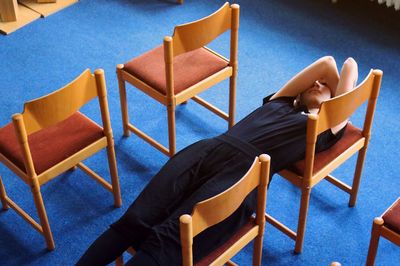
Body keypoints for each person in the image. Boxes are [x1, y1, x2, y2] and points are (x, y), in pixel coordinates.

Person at [76, 56, 358, 266]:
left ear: (336, 103)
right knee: (135, 220)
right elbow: (327, 64)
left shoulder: (322, 127)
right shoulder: (282, 101)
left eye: (324, 87)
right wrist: (319, 89)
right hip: (209, 149)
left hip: (242, 177)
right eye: (313, 83)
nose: (318, 82)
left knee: (168, 242)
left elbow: (348, 68)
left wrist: (326, 103)